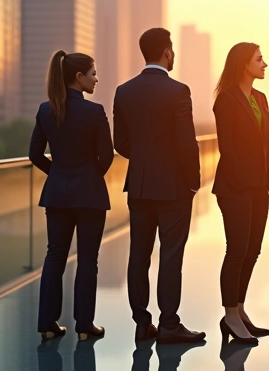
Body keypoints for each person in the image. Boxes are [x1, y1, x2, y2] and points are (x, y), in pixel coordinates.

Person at [113, 28, 206, 345]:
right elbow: (186, 143)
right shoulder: (179, 91)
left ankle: (142, 323)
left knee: (138, 255)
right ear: (167, 53)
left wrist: (143, 160)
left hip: (139, 185)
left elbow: (121, 142)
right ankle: (169, 324)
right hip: (174, 187)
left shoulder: (124, 91)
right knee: (170, 255)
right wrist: (193, 181)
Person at [29, 50, 114, 341]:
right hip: (89, 195)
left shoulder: (45, 110)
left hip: (57, 195)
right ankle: (84, 326)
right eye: (93, 73)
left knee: (55, 256)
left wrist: (58, 174)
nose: (96, 79)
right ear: (79, 77)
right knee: (88, 258)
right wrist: (88, 177)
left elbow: (34, 154)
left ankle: (47, 323)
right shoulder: (94, 111)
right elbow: (106, 156)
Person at [212, 42, 269, 345]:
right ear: (243, 64)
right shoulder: (226, 99)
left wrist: (268, 181)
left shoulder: (261, 98)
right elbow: (228, 148)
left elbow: (266, 146)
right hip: (236, 187)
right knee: (237, 251)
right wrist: (243, 185)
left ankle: (239, 309)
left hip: (259, 187)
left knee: (252, 250)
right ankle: (230, 315)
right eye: (259, 59)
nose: (264, 64)